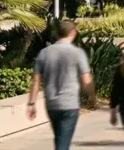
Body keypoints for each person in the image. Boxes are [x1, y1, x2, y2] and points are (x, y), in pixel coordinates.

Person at [27, 20, 95, 150]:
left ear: (57, 33)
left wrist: (31, 103)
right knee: (62, 143)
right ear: (72, 32)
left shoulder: (44, 53)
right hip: (70, 105)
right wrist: (92, 97)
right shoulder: (78, 53)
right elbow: (86, 80)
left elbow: (36, 81)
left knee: (60, 138)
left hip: (52, 104)